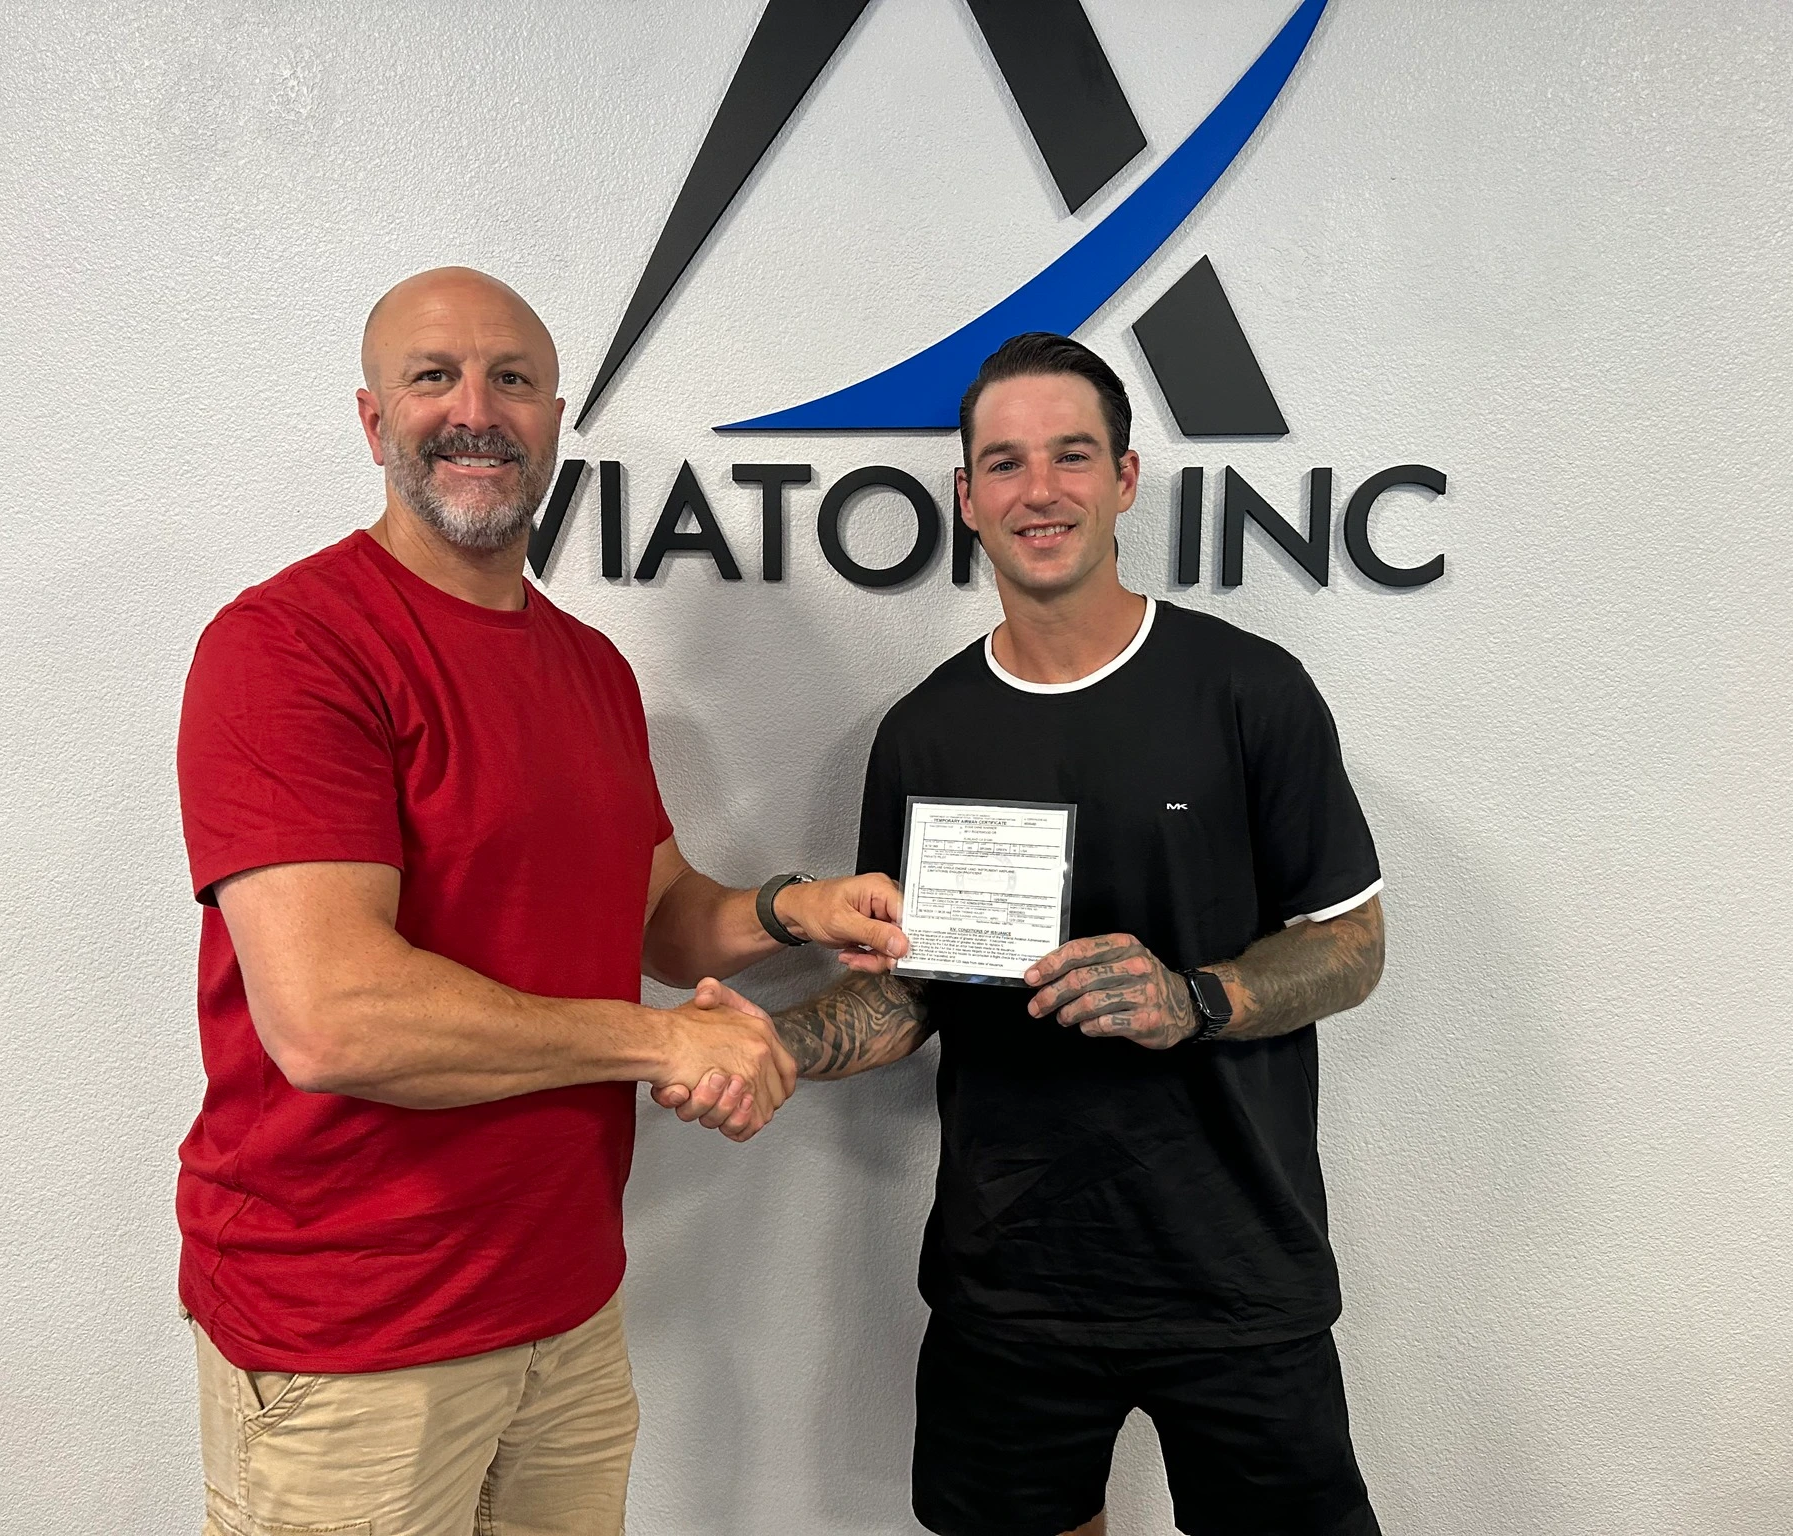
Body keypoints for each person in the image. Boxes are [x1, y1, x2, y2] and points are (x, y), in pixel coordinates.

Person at [173, 265, 905, 1536]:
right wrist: (660, 1039)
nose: (476, 409)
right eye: (433, 377)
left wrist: (796, 906)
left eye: (511, 378)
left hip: (564, 1312)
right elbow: (332, 1016)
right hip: (355, 1336)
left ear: (556, 418)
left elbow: (653, 907)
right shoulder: (292, 647)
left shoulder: (588, 668)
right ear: (370, 419)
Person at [670, 332, 1389, 1536]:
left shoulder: (1248, 691)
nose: (1036, 489)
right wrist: (777, 1044)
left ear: (1122, 479)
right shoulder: (925, 732)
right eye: (1002, 463)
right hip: (1009, 1285)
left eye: (1069, 455)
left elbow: (1351, 943)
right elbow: (913, 995)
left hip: (1234, 1273)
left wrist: (1194, 999)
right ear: (964, 496)